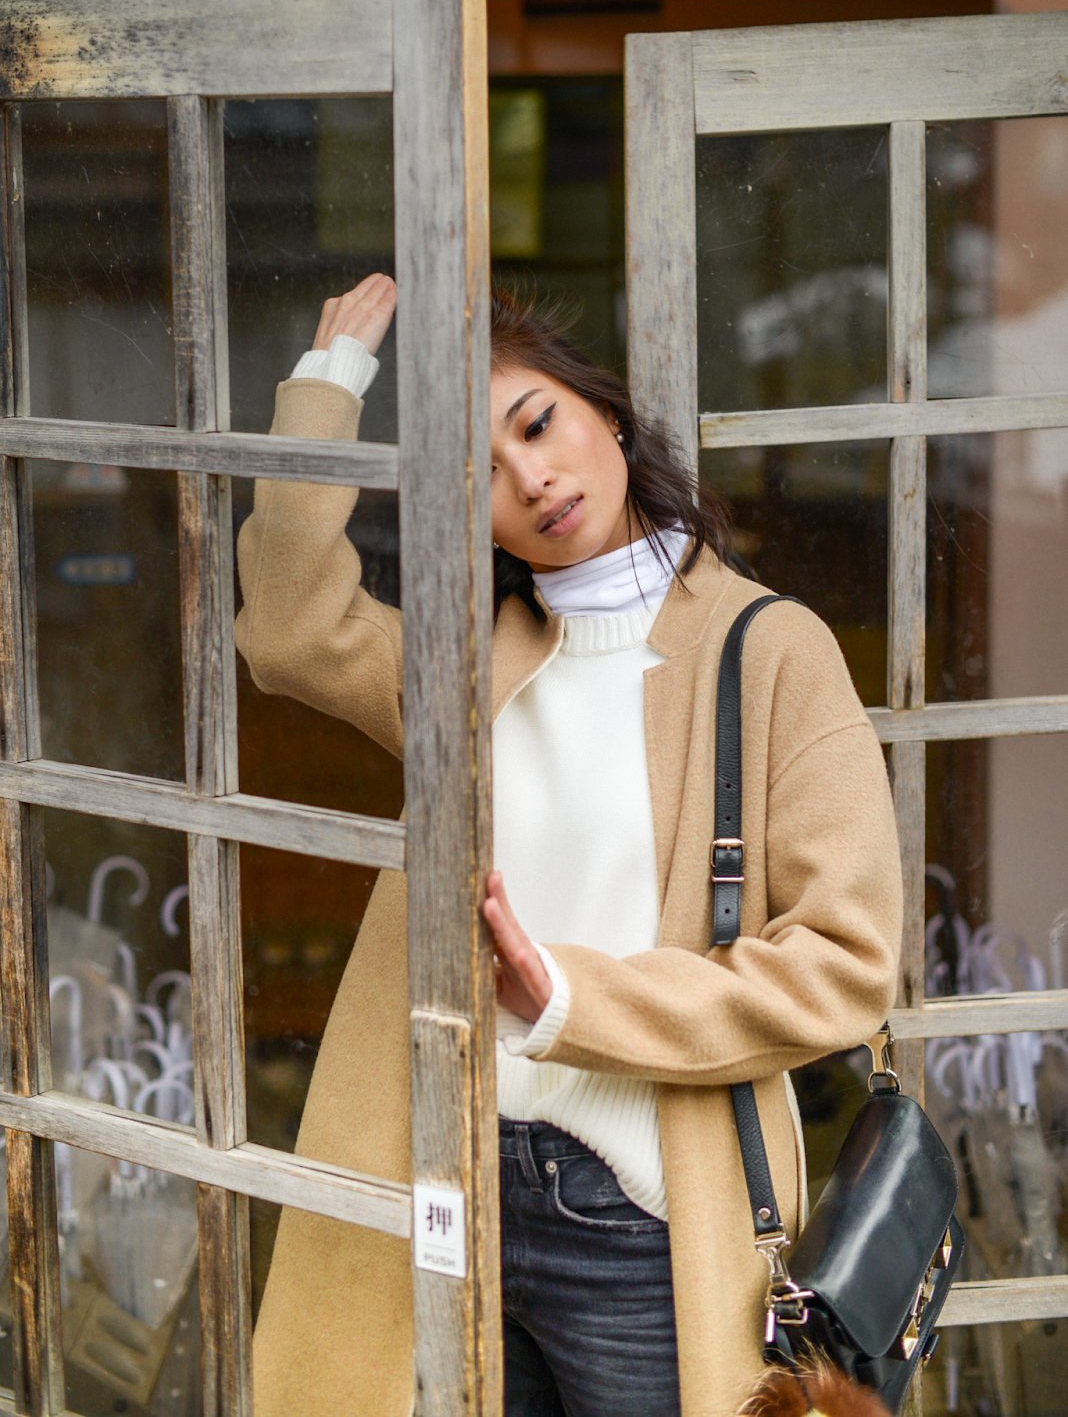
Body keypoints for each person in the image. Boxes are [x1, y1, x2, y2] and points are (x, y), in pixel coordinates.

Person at [235, 273, 903, 1417]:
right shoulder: (473, 662)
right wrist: (329, 386)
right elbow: (289, 629)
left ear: (606, 413)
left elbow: (845, 965)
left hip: (643, 1220)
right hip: (460, 1189)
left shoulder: (768, 649)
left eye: (537, 424)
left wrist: (568, 1003)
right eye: (480, 473)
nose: (531, 478)